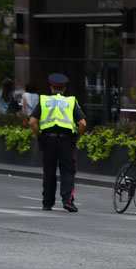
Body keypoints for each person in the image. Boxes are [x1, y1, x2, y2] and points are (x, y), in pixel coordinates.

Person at [28, 73, 86, 212]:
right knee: (68, 171)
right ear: (64, 89)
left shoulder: (43, 101)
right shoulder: (70, 102)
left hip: (48, 140)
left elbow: (32, 122)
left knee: (49, 172)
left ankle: (47, 203)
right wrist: (76, 137)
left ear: (51, 87)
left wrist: (40, 136)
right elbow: (83, 124)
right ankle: (68, 201)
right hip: (66, 141)